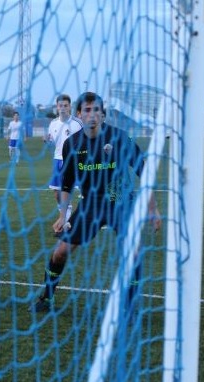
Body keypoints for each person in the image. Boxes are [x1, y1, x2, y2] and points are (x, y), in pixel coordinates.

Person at [30, 91, 161, 313]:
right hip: (91, 204)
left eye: (97, 110)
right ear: (79, 114)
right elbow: (66, 185)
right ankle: (47, 297)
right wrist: (63, 215)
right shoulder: (71, 145)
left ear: (103, 114)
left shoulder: (119, 137)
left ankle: (129, 304)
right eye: (87, 110)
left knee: (133, 252)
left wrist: (153, 208)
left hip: (120, 200)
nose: (93, 114)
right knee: (60, 251)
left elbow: (144, 171)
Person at [45, 94, 82, 229]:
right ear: (57, 107)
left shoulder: (77, 124)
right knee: (56, 192)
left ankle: (92, 215)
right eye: (60, 105)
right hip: (58, 161)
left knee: (82, 190)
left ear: (70, 107)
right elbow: (52, 140)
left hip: (74, 161)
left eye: (65, 105)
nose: (63, 108)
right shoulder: (53, 124)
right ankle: (66, 214)